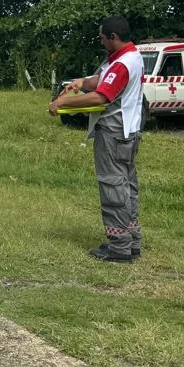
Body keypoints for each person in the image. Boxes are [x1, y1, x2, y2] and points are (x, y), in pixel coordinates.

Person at [47, 16, 145, 262]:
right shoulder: (130, 58)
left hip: (114, 132)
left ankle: (119, 246)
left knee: (112, 185)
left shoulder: (123, 64)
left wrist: (62, 102)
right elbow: (99, 81)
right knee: (126, 185)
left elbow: (101, 96)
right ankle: (132, 239)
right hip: (128, 132)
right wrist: (79, 82)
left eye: (102, 38)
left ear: (113, 37)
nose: (101, 42)